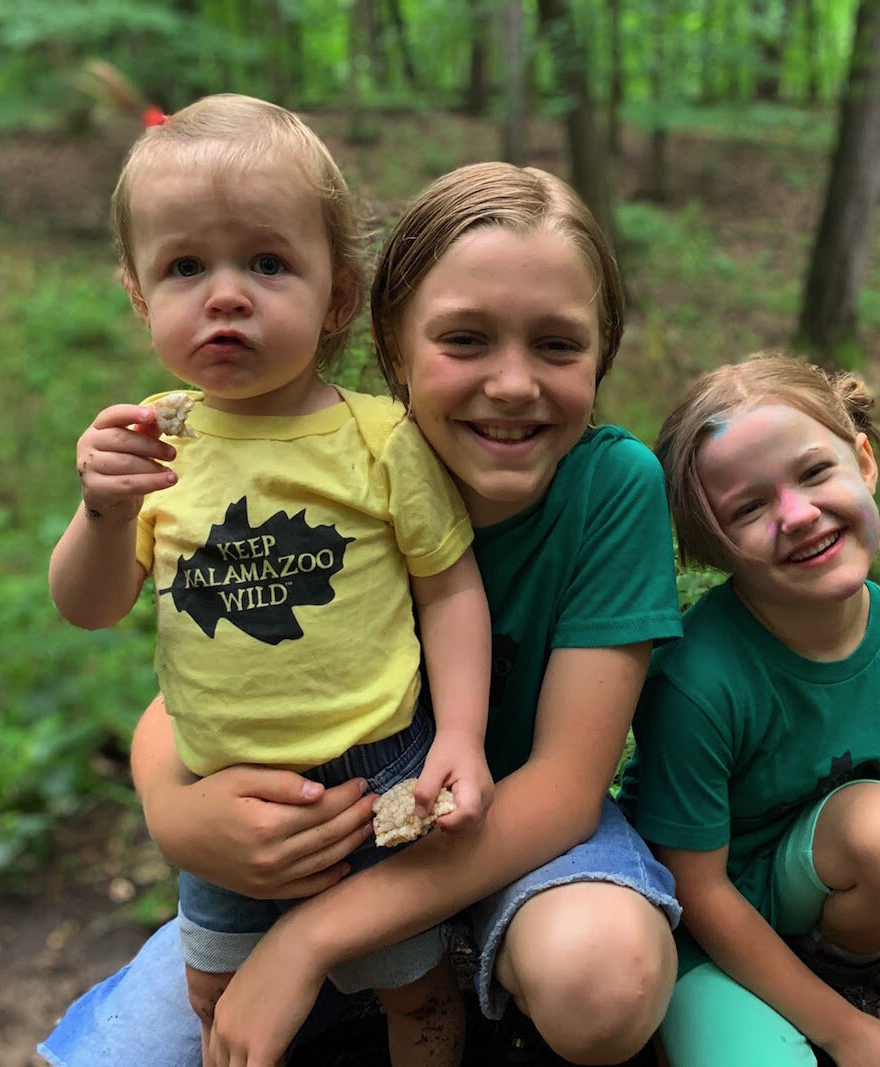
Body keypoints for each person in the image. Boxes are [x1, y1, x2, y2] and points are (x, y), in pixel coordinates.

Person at [39, 161, 684, 1067]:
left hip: (522, 836)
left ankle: (379, 969)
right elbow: (209, 675)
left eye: (557, 345)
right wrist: (172, 813)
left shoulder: (609, 487)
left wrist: (305, 945)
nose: (509, 384)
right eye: (463, 339)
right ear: (390, 338)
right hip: (336, 827)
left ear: (602, 351)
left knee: (601, 977)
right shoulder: (319, 454)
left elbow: (565, 789)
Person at [46, 94, 494, 1066]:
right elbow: (87, 606)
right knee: (221, 996)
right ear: (138, 293)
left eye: (267, 262)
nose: (226, 294)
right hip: (221, 788)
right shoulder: (153, 438)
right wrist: (100, 512)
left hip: (381, 770)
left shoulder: (377, 437)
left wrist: (458, 732)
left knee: (413, 982)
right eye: (184, 267)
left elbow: (449, 588)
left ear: (335, 293)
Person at [622, 354, 880, 1067]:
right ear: (712, 545)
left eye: (814, 472)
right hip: (698, 930)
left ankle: (842, 980)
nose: (796, 515)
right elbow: (696, 888)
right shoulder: (697, 675)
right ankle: (802, 1017)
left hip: (804, 897)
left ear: (863, 460)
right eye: (748, 508)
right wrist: (851, 1035)